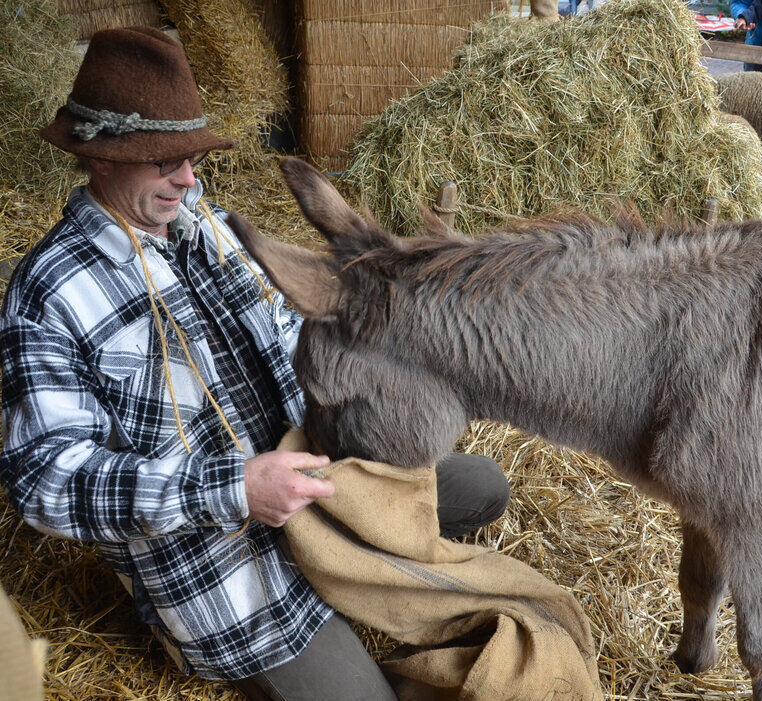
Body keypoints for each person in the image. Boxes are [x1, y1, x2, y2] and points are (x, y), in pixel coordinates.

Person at [0, 27, 510, 701]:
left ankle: (354, 556)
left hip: (319, 479)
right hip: (228, 561)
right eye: (164, 161)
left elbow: (291, 330)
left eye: (191, 157)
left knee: (484, 486)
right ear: (99, 157)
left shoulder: (208, 224)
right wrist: (235, 488)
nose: (188, 179)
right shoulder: (50, 293)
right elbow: (45, 480)